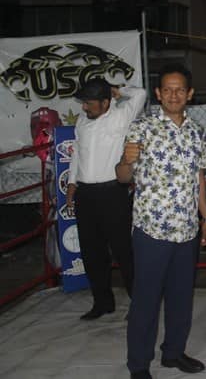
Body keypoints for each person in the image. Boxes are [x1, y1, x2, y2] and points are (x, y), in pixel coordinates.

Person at [116, 64, 206, 379]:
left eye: (180, 89)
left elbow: (199, 178)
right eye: (167, 89)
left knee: (181, 298)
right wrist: (127, 161)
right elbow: (121, 176)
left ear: (190, 94)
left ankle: (173, 353)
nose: (174, 94)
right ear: (158, 94)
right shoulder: (141, 128)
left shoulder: (197, 131)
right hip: (151, 231)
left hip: (187, 230)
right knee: (145, 300)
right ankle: (139, 365)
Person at [66, 78, 146, 320]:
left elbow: (140, 94)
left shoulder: (121, 116)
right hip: (86, 194)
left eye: (89, 103)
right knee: (91, 251)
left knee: (124, 250)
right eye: (83, 103)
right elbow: (77, 154)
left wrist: (117, 90)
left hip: (113, 193)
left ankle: (139, 303)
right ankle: (102, 302)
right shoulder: (82, 122)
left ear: (105, 102)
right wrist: (72, 183)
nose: (84, 107)